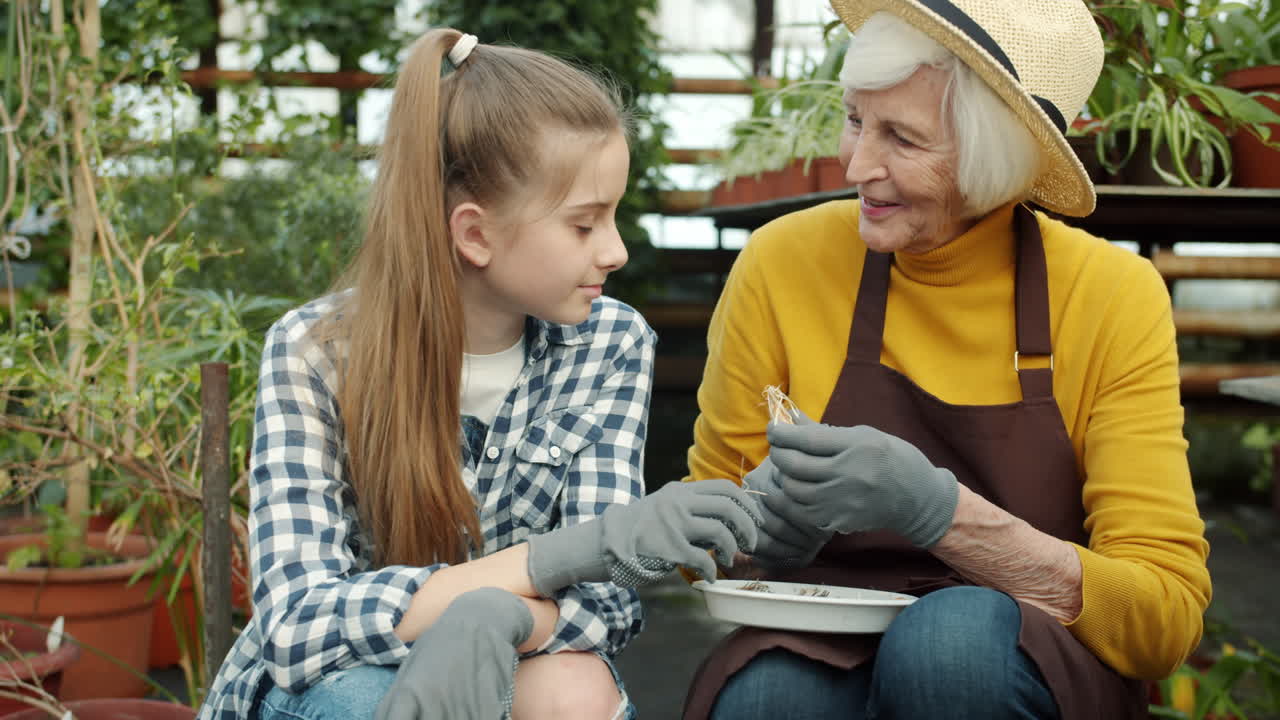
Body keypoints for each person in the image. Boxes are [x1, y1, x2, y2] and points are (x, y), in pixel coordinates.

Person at [196, 29, 762, 720]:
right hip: (333, 691)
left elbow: (607, 605)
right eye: (584, 225)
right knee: (372, 700)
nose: (615, 250)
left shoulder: (609, 345)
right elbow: (297, 626)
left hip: (513, 659)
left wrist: (501, 620)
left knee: (576, 688)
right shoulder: (316, 351)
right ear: (475, 235)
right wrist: (525, 577)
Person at [680, 1, 1212, 719]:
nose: (857, 164)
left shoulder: (1109, 295)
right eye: (856, 119)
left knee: (950, 646)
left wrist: (940, 513)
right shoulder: (784, 262)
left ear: (995, 158)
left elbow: (1165, 617)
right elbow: (696, 551)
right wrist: (758, 533)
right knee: (769, 696)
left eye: (903, 137)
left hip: (1017, 660)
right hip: (819, 631)